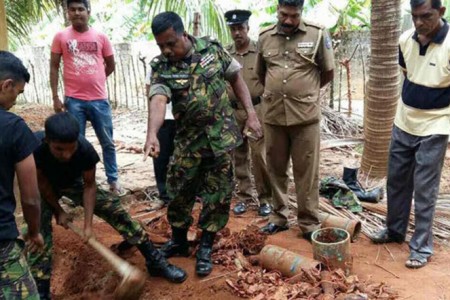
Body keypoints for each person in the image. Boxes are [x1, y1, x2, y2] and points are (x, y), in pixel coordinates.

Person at [144, 12, 263, 277]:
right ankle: (178, 241)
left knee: (218, 195)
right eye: (160, 45)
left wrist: (251, 114)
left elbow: (236, 79)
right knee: (178, 191)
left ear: (183, 34)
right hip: (188, 142)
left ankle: (206, 246)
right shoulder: (161, 65)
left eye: (170, 43)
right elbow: (158, 100)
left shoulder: (211, 49)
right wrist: (152, 133)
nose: (166, 50)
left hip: (221, 139)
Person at [28, 113, 186, 299]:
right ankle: (41, 289)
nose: (67, 154)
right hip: (42, 186)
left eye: (71, 149)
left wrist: (88, 226)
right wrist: (58, 210)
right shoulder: (34, 148)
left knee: (114, 208)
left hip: (73, 182)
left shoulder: (85, 151)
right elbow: (42, 184)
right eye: (60, 150)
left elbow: (89, 186)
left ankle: (155, 261)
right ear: (47, 141)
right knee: (38, 232)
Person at [371, 0, 449, 269]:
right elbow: (407, 75)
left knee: (425, 189)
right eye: (414, 16)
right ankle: (394, 231)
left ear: (441, 12)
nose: (418, 23)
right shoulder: (405, 39)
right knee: (396, 180)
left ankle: (421, 247)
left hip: (437, 124)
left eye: (425, 16)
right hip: (405, 121)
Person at [256, 0, 335, 240]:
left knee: (306, 172)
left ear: (301, 12)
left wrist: (304, 93)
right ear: (277, 11)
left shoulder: (318, 34)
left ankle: (309, 222)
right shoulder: (264, 37)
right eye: (284, 14)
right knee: (276, 168)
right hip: (274, 117)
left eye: (294, 15)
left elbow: (327, 72)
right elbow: (261, 73)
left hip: (305, 118)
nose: (289, 20)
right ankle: (279, 217)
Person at [49, 0, 124, 196]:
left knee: (107, 141)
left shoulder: (101, 37)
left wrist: (96, 79)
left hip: (99, 99)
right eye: (72, 9)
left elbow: (110, 64)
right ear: (68, 13)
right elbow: (54, 66)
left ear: (88, 11)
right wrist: (56, 97)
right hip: (74, 100)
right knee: (74, 143)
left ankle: (113, 180)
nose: (77, 13)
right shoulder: (61, 37)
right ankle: (76, 182)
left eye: (81, 9)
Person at [0, 51, 44, 299]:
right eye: (16, 93)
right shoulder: (13, 127)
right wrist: (34, 230)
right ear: (6, 85)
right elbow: (30, 197)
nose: (15, 101)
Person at [224, 9, 273, 217]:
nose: (237, 33)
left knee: (259, 156)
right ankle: (244, 196)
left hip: (257, 110)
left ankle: (265, 199)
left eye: (240, 28)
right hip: (233, 111)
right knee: (238, 155)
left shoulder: (260, 52)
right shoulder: (226, 54)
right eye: (233, 29)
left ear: (248, 28)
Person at [145, 68, 176, 205]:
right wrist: (150, 124)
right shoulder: (157, 66)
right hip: (162, 119)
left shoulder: (191, 63)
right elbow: (149, 95)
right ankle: (164, 195)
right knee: (160, 158)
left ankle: (190, 193)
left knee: (186, 156)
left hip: (183, 118)